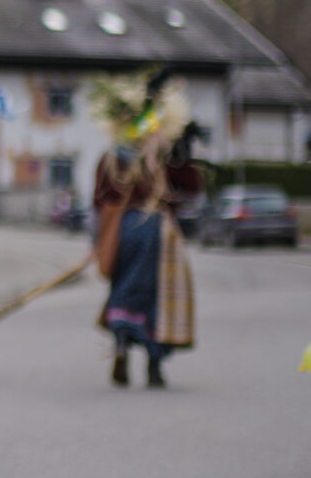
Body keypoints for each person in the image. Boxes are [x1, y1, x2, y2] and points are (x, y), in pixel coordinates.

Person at [89, 68, 203, 390]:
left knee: (124, 289)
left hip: (122, 232)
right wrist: (185, 154)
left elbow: (99, 203)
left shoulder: (111, 160)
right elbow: (192, 188)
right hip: (158, 233)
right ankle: (154, 366)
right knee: (159, 298)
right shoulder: (165, 157)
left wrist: (97, 242)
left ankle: (122, 345)